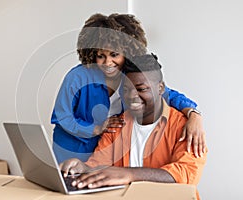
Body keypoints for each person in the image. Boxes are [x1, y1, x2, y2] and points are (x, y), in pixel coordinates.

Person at [51, 13, 206, 163]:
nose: (107, 62)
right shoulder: (77, 77)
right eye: (100, 56)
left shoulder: (131, 76)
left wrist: (194, 115)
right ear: (91, 54)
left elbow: (167, 95)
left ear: (127, 52)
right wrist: (96, 129)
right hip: (71, 150)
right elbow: (61, 117)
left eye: (114, 54)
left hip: (106, 151)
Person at [60, 54, 207, 199]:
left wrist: (130, 174)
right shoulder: (118, 124)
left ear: (160, 88)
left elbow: (187, 173)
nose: (132, 96)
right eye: (126, 89)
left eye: (141, 89)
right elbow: (99, 164)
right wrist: (83, 168)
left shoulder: (185, 127)